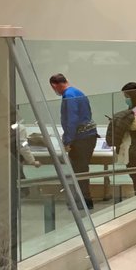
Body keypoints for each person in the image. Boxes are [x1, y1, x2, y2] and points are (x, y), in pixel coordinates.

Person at [49, 73, 98, 210]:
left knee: (78, 171)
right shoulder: (78, 92)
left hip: (80, 138)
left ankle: (83, 201)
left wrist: (67, 140)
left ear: (55, 85)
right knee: (82, 169)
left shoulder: (68, 96)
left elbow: (72, 119)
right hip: (89, 136)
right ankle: (85, 200)